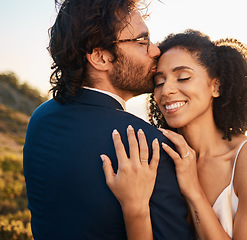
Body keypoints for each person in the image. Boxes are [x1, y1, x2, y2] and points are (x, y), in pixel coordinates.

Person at [23, 0, 194, 239]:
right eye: (142, 41)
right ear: (100, 57)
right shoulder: (148, 146)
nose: (155, 50)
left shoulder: (41, 118)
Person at [102, 29, 247, 239]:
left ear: (216, 86)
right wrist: (134, 207)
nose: (166, 90)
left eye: (183, 77)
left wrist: (193, 190)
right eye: (159, 82)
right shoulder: (156, 158)